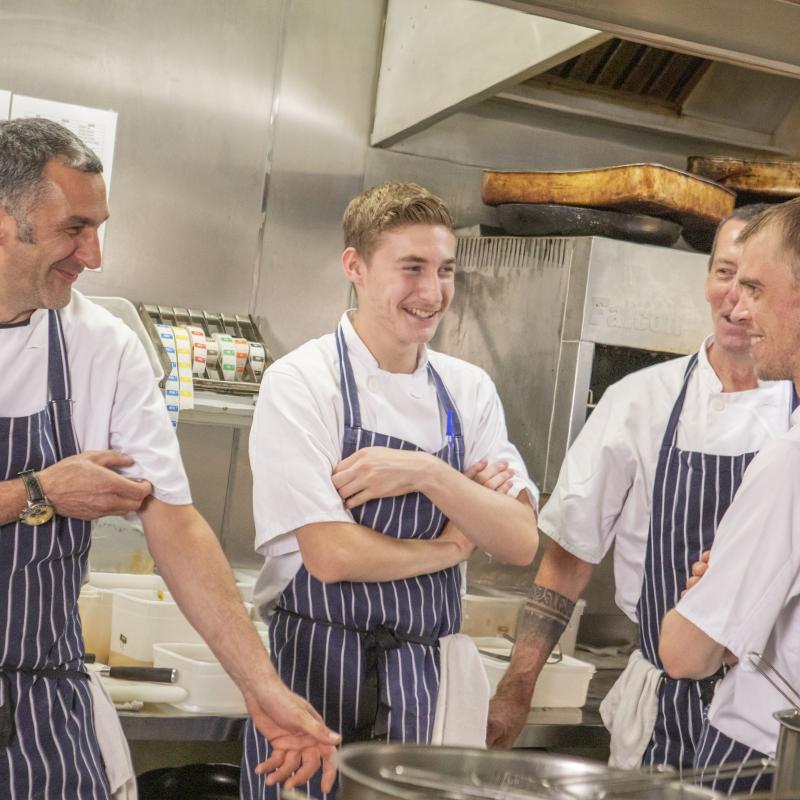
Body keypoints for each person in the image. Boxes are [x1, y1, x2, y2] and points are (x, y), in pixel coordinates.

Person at [0, 117, 338, 799]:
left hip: (37, 706)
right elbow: (40, 493)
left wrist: (262, 687)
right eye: (74, 229)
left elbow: (175, 526)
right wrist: (34, 492)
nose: (93, 256)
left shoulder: (102, 348)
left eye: (99, 227)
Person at [243, 180, 540, 799]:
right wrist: (453, 544)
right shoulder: (301, 382)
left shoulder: (468, 390)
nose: (432, 293)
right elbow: (331, 556)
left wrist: (428, 474)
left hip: (419, 683)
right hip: (313, 675)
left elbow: (517, 539)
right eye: (411, 268)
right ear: (354, 266)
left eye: (445, 270)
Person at [486, 205, 796, 772]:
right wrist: (517, 685)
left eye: (752, 283)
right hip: (663, 703)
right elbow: (569, 555)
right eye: (725, 273)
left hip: (769, 713)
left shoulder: (793, 425)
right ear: (705, 279)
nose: (736, 300)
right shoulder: (640, 401)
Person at [660, 198, 800, 795]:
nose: (738, 310)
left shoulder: (791, 460)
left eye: (756, 290)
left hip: (760, 763)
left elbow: (686, 653)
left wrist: (707, 604)